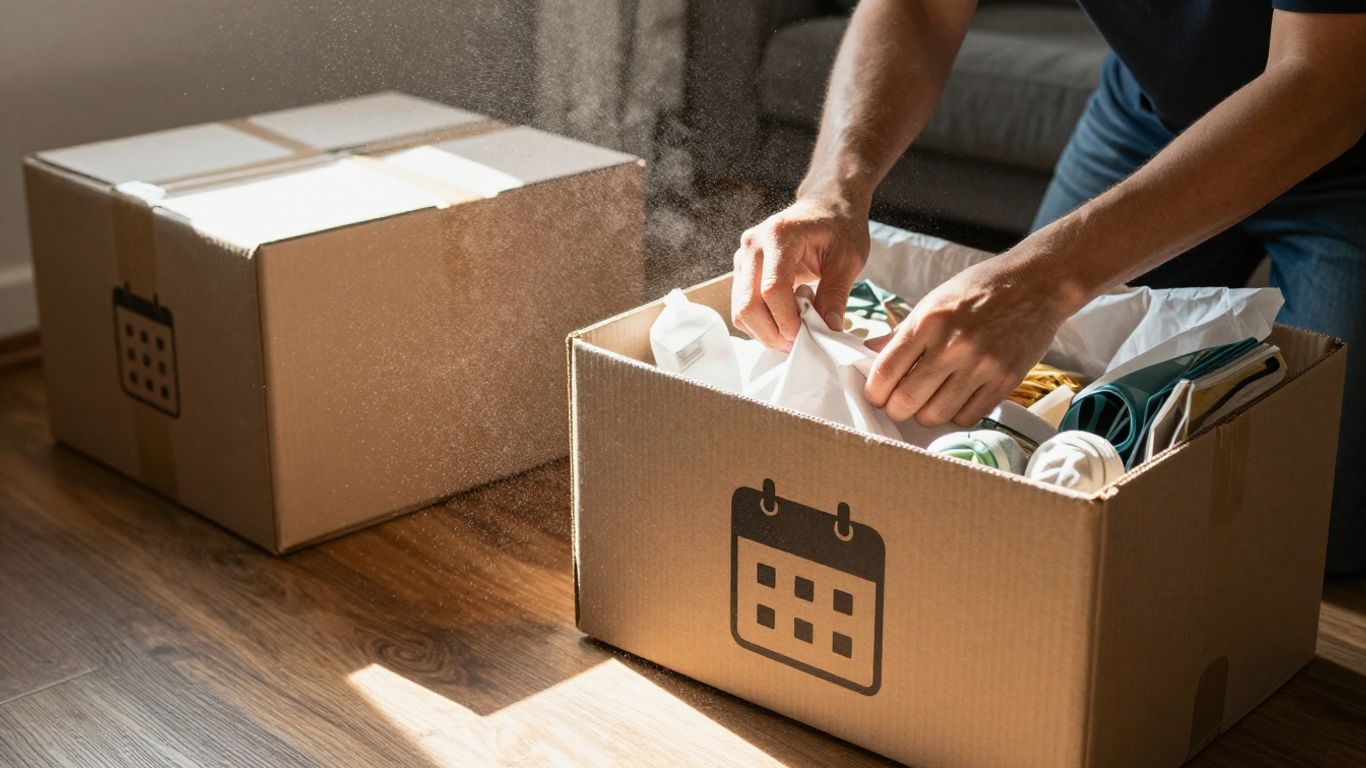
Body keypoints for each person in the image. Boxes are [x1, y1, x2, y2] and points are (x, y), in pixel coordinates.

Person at [731, 0, 1366, 574]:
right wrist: (833, 188)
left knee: (1309, 530)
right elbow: (922, 10)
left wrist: (1040, 283)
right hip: (1154, 109)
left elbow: (1322, 83)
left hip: (1343, 123)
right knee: (1038, 446)